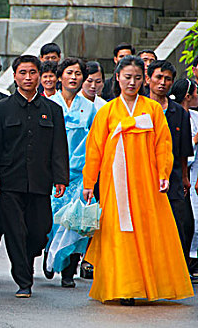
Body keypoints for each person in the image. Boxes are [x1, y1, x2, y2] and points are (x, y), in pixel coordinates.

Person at [83, 55, 194, 305]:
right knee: (119, 232)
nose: (131, 83)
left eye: (136, 78)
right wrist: (89, 183)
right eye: (126, 77)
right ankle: (124, 285)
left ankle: (147, 282)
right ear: (118, 78)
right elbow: (95, 149)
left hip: (146, 183)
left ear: (143, 80)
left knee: (147, 231)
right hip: (115, 183)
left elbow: (163, 145)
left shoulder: (152, 109)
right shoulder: (108, 111)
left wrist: (163, 174)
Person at [0, 55, 69, 298]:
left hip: (40, 181)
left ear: (40, 76)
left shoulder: (52, 109)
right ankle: (23, 280)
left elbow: (58, 146)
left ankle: (28, 258)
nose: (28, 78)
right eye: (23, 73)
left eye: (32, 73)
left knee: (39, 230)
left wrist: (60, 178)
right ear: (14, 77)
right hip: (10, 181)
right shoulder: (1, 109)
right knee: (15, 232)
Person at [45, 58, 96, 288]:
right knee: (52, 220)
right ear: (59, 77)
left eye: (78, 73)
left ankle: (69, 269)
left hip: (79, 172)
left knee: (75, 221)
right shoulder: (48, 104)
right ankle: (50, 255)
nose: (73, 77)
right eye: (69, 73)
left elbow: (94, 142)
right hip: (52, 172)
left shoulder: (90, 107)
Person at [147, 60, 194, 267]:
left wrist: (184, 177)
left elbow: (184, 150)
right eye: (158, 77)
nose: (162, 83)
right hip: (145, 176)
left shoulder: (179, 113)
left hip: (173, 177)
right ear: (148, 79)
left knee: (180, 224)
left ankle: (178, 269)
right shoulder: (139, 109)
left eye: (168, 79)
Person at [171, 79, 198, 280]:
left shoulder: (194, 115)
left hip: (189, 175)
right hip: (177, 173)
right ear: (188, 96)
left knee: (189, 222)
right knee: (185, 220)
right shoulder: (177, 115)